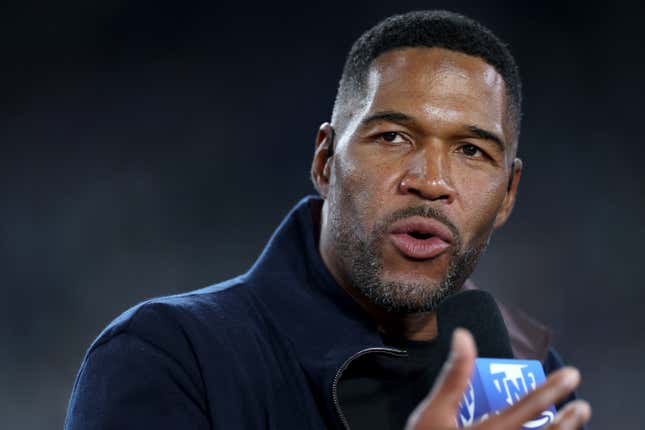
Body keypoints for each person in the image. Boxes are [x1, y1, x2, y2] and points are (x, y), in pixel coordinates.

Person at [64, 10, 591, 430]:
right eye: (392, 137)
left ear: (507, 195)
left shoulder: (531, 381)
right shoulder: (170, 357)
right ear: (324, 161)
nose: (431, 180)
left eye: (472, 150)